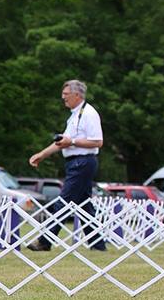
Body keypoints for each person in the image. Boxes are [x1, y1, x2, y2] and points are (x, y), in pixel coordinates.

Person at [27, 79, 106, 252]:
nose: (63, 98)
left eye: (66, 94)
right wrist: (41, 155)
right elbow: (62, 143)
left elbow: (97, 142)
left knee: (64, 202)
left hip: (82, 162)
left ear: (77, 95)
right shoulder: (74, 115)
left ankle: (45, 241)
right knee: (84, 205)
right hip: (76, 162)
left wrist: (73, 141)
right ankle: (98, 245)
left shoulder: (89, 114)